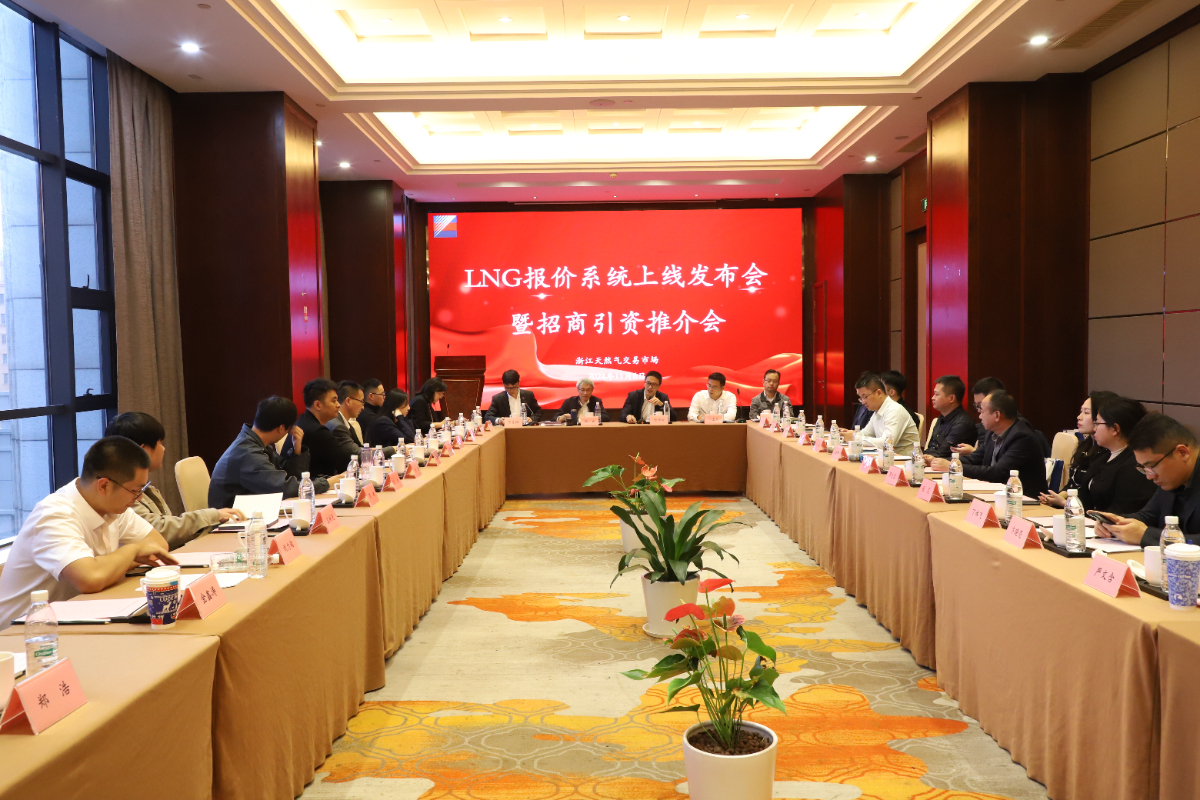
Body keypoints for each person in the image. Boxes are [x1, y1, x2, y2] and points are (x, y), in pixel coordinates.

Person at [0, 437, 177, 625]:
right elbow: (91, 579)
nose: (139, 498)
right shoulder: (54, 515)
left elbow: (157, 546)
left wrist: (107, 568)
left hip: (77, 616)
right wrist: (131, 551)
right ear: (104, 486)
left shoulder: (112, 506)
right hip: (27, 633)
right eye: (135, 491)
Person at [104, 412, 244, 549]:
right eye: (160, 443)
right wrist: (210, 516)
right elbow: (157, 531)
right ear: (142, 451)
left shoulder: (136, 485)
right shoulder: (121, 492)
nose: (163, 449)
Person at [1096, 412, 1200, 546]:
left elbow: (1145, 532)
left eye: (1152, 466)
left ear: (1182, 453)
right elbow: (1148, 517)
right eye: (1144, 468)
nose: (1149, 476)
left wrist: (1146, 536)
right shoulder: (1172, 478)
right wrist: (1114, 524)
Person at [209, 396, 329, 508]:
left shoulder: (256, 443)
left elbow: (289, 475)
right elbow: (283, 488)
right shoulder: (248, 453)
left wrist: (297, 450)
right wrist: (325, 483)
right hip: (232, 519)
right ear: (281, 428)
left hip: (252, 511)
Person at [1046, 396, 1156, 515]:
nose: (1094, 428)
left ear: (1115, 429)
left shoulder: (1133, 465)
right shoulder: (1103, 456)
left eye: (1098, 423)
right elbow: (1085, 499)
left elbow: (1120, 513)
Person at [932, 390, 1046, 497]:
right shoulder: (992, 433)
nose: (979, 416)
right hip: (997, 493)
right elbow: (975, 458)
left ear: (997, 415)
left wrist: (954, 467)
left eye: (982, 411)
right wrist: (942, 462)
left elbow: (998, 472)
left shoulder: (1022, 437)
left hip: (1021, 500)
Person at [1037, 391, 1118, 506]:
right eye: (1081, 412)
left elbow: (1092, 496)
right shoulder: (1085, 445)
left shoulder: (1109, 452)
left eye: (1086, 412)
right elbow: (1073, 483)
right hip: (1072, 505)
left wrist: (1064, 503)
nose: (1079, 417)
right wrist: (1056, 497)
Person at [957, 376, 1052, 458]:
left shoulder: (1020, 433)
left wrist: (972, 452)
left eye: (981, 405)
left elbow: (999, 470)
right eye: (977, 406)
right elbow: (979, 457)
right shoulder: (991, 431)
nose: (979, 411)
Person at [294, 378, 349, 477]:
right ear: (318, 405)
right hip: (313, 485)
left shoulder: (302, 421)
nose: (338, 405)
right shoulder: (317, 431)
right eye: (334, 401)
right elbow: (348, 464)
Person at [854, 372, 919, 451]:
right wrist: (852, 435)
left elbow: (887, 443)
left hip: (904, 458)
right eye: (861, 398)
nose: (863, 402)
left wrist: (857, 439)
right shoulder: (878, 410)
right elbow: (865, 433)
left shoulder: (894, 410)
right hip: (886, 456)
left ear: (879, 393)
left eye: (865, 397)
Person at [922, 375, 977, 461]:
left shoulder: (962, 423)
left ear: (951, 398)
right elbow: (932, 447)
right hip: (933, 463)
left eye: (937, 394)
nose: (933, 398)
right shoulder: (942, 417)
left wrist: (926, 458)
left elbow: (943, 453)